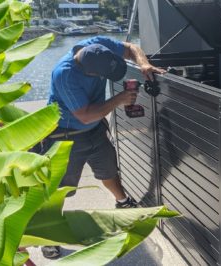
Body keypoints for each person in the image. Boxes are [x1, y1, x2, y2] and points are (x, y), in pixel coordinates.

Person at [39, 35, 165, 259]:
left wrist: (143, 63)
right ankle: (49, 234)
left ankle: (123, 203)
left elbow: (131, 47)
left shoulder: (99, 46)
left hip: (95, 129)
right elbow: (85, 115)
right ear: (91, 72)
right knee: (60, 189)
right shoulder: (64, 74)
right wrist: (119, 99)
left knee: (108, 167)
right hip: (66, 134)